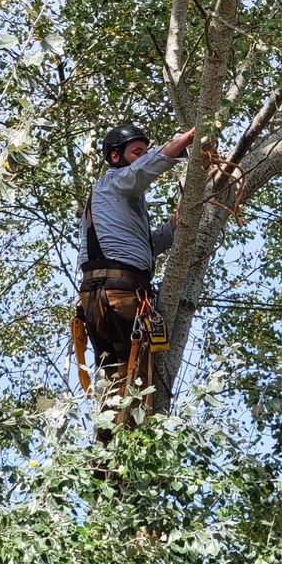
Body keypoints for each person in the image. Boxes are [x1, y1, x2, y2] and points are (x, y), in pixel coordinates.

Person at [77, 123, 195, 399]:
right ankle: (131, 436)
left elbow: (146, 249)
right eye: (136, 152)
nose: (142, 157)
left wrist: (174, 226)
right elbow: (144, 170)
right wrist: (188, 137)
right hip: (119, 293)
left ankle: (109, 437)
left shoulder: (118, 206)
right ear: (116, 157)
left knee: (116, 382)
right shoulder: (113, 183)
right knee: (139, 383)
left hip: (99, 298)